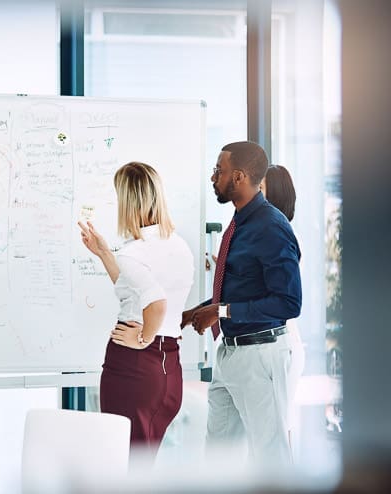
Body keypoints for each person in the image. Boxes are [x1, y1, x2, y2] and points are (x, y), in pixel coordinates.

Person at [181, 141, 302, 466]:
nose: (212, 177)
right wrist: (196, 311)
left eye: (218, 171)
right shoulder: (239, 225)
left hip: (259, 355)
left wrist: (219, 311)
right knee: (219, 458)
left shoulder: (272, 228)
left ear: (239, 177)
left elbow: (289, 302)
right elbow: (240, 290)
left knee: (270, 460)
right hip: (230, 354)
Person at [78, 162, 194, 459]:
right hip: (169, 369)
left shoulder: (133, 253)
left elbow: (156, 303)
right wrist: (104, 253)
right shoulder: (178, 246)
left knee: (123, 464)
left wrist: (143, 338)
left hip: (134, 367)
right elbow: (134, 291)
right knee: (140, 464)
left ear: (128, 203)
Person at [260, 164, 306, 453]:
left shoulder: (282, 235)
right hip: (278, 341)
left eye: (260, 189)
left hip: (280, 340)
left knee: (278, 431)